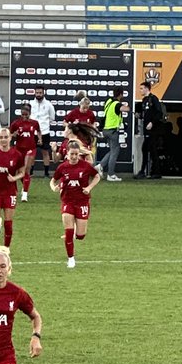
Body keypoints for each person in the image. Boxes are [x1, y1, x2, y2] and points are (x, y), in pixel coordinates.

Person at [51, 134, 100, 268]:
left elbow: (97, 176)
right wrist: (54, 187)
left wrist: (89, 188)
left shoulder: (85, 166)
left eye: (76, 154)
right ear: (67, 153)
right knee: (68, 231)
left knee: (81, 235)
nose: (74, 156)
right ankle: (71, 258)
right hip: (67, 202)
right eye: (72, 154)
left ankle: (74, 235)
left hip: (82, 202)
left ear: (79, 154)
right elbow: (53, 180)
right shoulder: (62, 167)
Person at [90, 88, 124, 182]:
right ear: (121, 94)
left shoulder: (108, 101)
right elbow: (123, 109)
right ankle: (111, 174)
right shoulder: (117, 104)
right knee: (115, 151)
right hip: (112, 130)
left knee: (113, 150)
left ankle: (100, 165)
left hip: (105, 129)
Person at [9, 102, 41, 202]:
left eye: (26, 115)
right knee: (19, 171)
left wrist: (39, 139)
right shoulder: (16, 123)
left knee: (26, 169)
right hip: (19, 149)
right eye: (22, 114)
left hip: (30, 148)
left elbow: (39, 131)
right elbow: (10, 134)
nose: (24, 117)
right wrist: (14, 134)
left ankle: (25, 195)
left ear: (29, 113)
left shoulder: (34, 123)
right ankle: (24, 186)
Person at [136, 81, 164, 179]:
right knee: (148, 150)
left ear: (147, 88)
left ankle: (152, 172)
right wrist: (139, 116)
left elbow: (159, 113)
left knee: (151, 150)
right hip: (146, 131)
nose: (140, 90)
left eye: (142, 88)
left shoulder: (153, 99)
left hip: (153, 131)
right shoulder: (144, 100)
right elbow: (143, 114)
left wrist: (152, 122)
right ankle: (148, 171)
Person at [30, 85, 57, 177]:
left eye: (40, 93)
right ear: (34, 93)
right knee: (32, 153)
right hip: (33, 132)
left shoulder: (48, 104)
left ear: (43, 93)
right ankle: (31, 172)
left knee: (45, 152)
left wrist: (44, 125)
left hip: (45, 132)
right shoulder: (30, 104)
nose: (38, 94)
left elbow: (52, 118)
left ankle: (46, 173)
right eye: (37, 93)